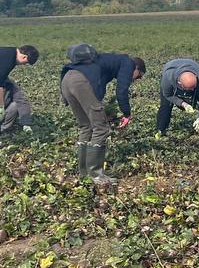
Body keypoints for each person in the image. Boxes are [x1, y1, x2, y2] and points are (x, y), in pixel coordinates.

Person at [59, 46, 145, 184]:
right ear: (137, 68)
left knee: (86, 126)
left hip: (67, 79)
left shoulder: (106, 61)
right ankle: (96, 175)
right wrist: (126, 113)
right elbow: (121, 91)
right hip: (81, 82)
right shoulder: (128, 62)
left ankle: (84, 172)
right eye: (138, 76)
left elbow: (96, 92)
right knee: (101, 128)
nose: (135, 79)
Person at [158, 58, 199, 134]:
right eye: (189, 89)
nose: (192, 90)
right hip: (171, 70)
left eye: (193, 88)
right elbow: (168, 95)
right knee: (166, 106)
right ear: (179, 83)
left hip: (192, 67)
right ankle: (161, 131)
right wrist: (183, 103)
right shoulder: (168, 78)